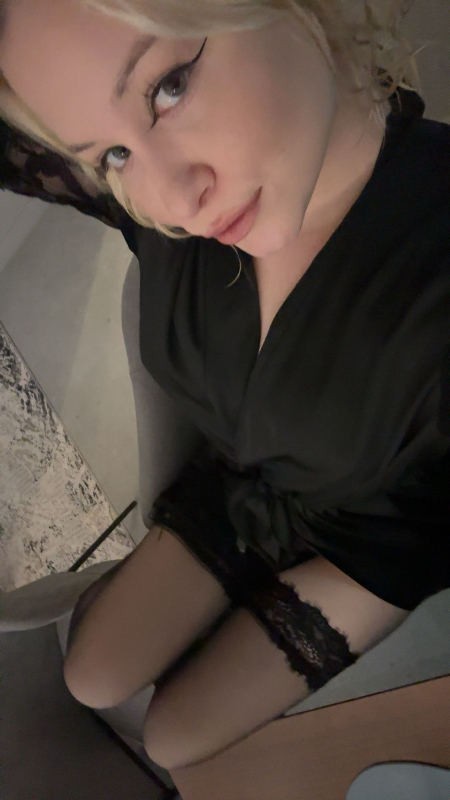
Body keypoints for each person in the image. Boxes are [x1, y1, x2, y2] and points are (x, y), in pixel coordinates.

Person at [0, 0, 449, 773]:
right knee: (89, 675)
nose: (176, 200)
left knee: (174, 739)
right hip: (240, 486)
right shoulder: (161, 216)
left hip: (370, 539)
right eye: (113, 154)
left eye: (169, 87)